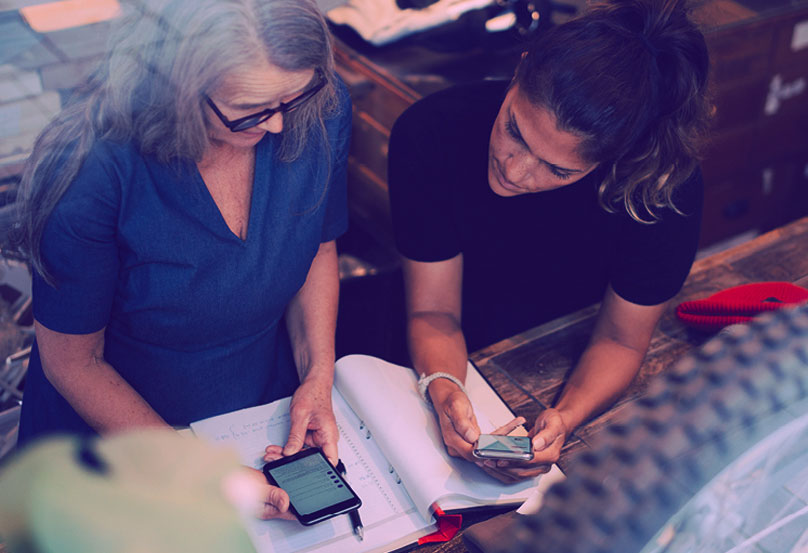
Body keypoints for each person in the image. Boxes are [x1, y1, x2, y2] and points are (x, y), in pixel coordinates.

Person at [15, 0, 350, 519]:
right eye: (252, 109)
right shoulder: (92, 168)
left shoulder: (315, 107)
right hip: (113, 443)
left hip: (253, 412)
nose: (281, 125)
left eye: (292, 96)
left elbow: (317, 247)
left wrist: (317, 376)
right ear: (177, 86)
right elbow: (73, 361)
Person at [388, 0, 711, 482]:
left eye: (558, 169)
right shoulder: (431, 132)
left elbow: (622, 340)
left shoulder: (659, 189)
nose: (514, 170)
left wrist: (565, 416)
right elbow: (433, 312)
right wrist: (445, 386)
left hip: (561, 343)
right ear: (520, 70)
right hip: (439, 341)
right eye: (514, 130)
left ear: (618, 157)